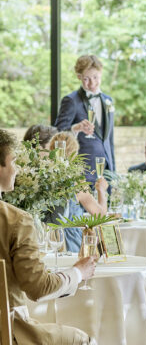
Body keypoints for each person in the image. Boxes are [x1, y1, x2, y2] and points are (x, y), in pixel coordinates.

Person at [0, 128, 97, 344]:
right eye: (13, 162)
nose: (17, 169)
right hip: (9, 333)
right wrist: (78, 272)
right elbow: (39, 288)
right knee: (85, 340)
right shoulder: (16, 220)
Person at [54, 55, 116, 185]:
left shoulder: (108, 100)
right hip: (83, 172)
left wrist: (113, 173)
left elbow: (109, 140)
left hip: (106, 172)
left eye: (95, 77)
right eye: (87, 79)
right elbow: (58, 133)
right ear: (79, 77)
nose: (92, 83)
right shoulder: (71, 100)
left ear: (101, 74)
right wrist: (76, 128)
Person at [46, 132, 108, 252]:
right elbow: (100, 216)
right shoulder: (76, 183)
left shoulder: (45, 178)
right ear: (75, 154)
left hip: (49, 240)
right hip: (70, 243)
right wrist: (101, 191)